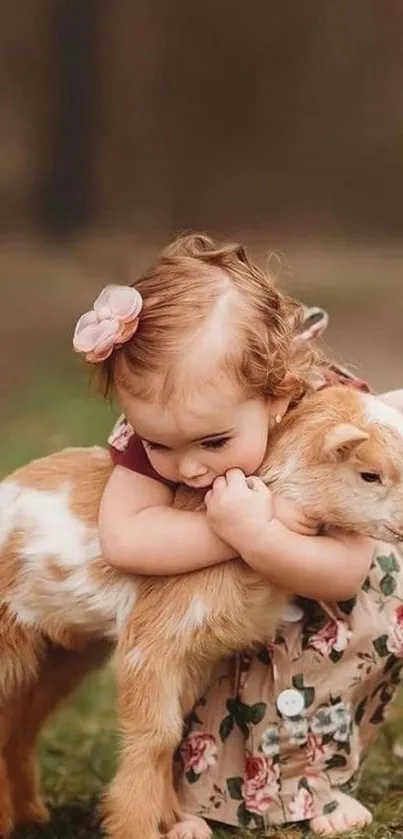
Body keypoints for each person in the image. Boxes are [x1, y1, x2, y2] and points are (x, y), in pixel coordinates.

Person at [73, 233, 390, 836]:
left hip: (324, 622)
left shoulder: (328, 423)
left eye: (213, 443)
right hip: (217, 625)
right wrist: (234, 532)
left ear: (279, 398)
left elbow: (348, 572)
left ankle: (306, 778)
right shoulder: (161, 429)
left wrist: (267, 543)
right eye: (160, 443)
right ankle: (199, 780)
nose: (189, 467)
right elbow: (126, 539)